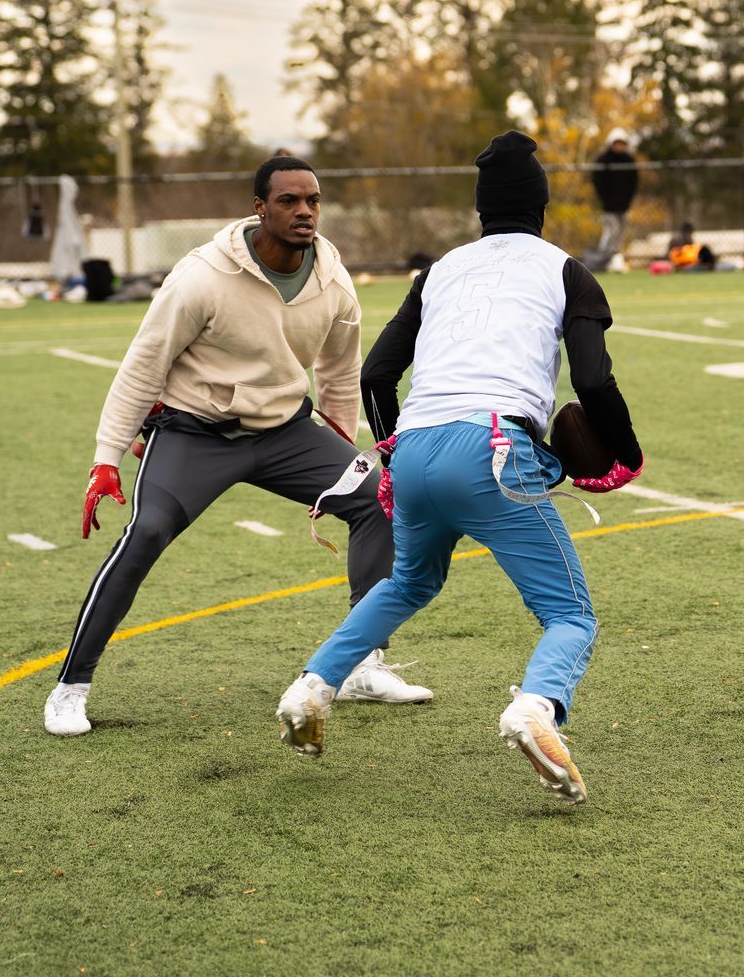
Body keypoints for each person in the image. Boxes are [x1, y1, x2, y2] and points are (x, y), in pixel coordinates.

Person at [276, 131, 645, 804]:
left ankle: (311, 687)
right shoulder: (565, 268)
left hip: (417, 444)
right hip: (495, 449)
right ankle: (535, 708)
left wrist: (392, 451)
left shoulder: (440, 269)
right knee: (570, 615)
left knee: (409, 582)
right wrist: (625, 453)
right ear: (542, 206)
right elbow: (592, 379)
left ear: (481, 210)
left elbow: (378, 375)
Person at [44, 156, 429, 738]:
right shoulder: (201, 276)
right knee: (146, 532)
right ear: (259, 208)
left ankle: (361, 664)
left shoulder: (335, 279)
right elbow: (144, 367)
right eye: (288, 201)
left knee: (376, 497)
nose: (304, 212)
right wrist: (106, 457)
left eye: (313, 201)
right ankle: (70, 688)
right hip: (195, 432)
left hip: (287, 432)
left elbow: (340, 372)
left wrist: (343, 451)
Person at [586, 128, 638, 271]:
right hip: (609, 206)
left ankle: (616, 259)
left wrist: (627, 201)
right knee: (611, 231)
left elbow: (633, 183)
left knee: (621, 233)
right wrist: (605, 200)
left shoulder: (629, 160)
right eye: (617, 143)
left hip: (624, 205)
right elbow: (598, 183)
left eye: (622, 144)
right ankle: (603, 258)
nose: (619, 147)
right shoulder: (603, 160)